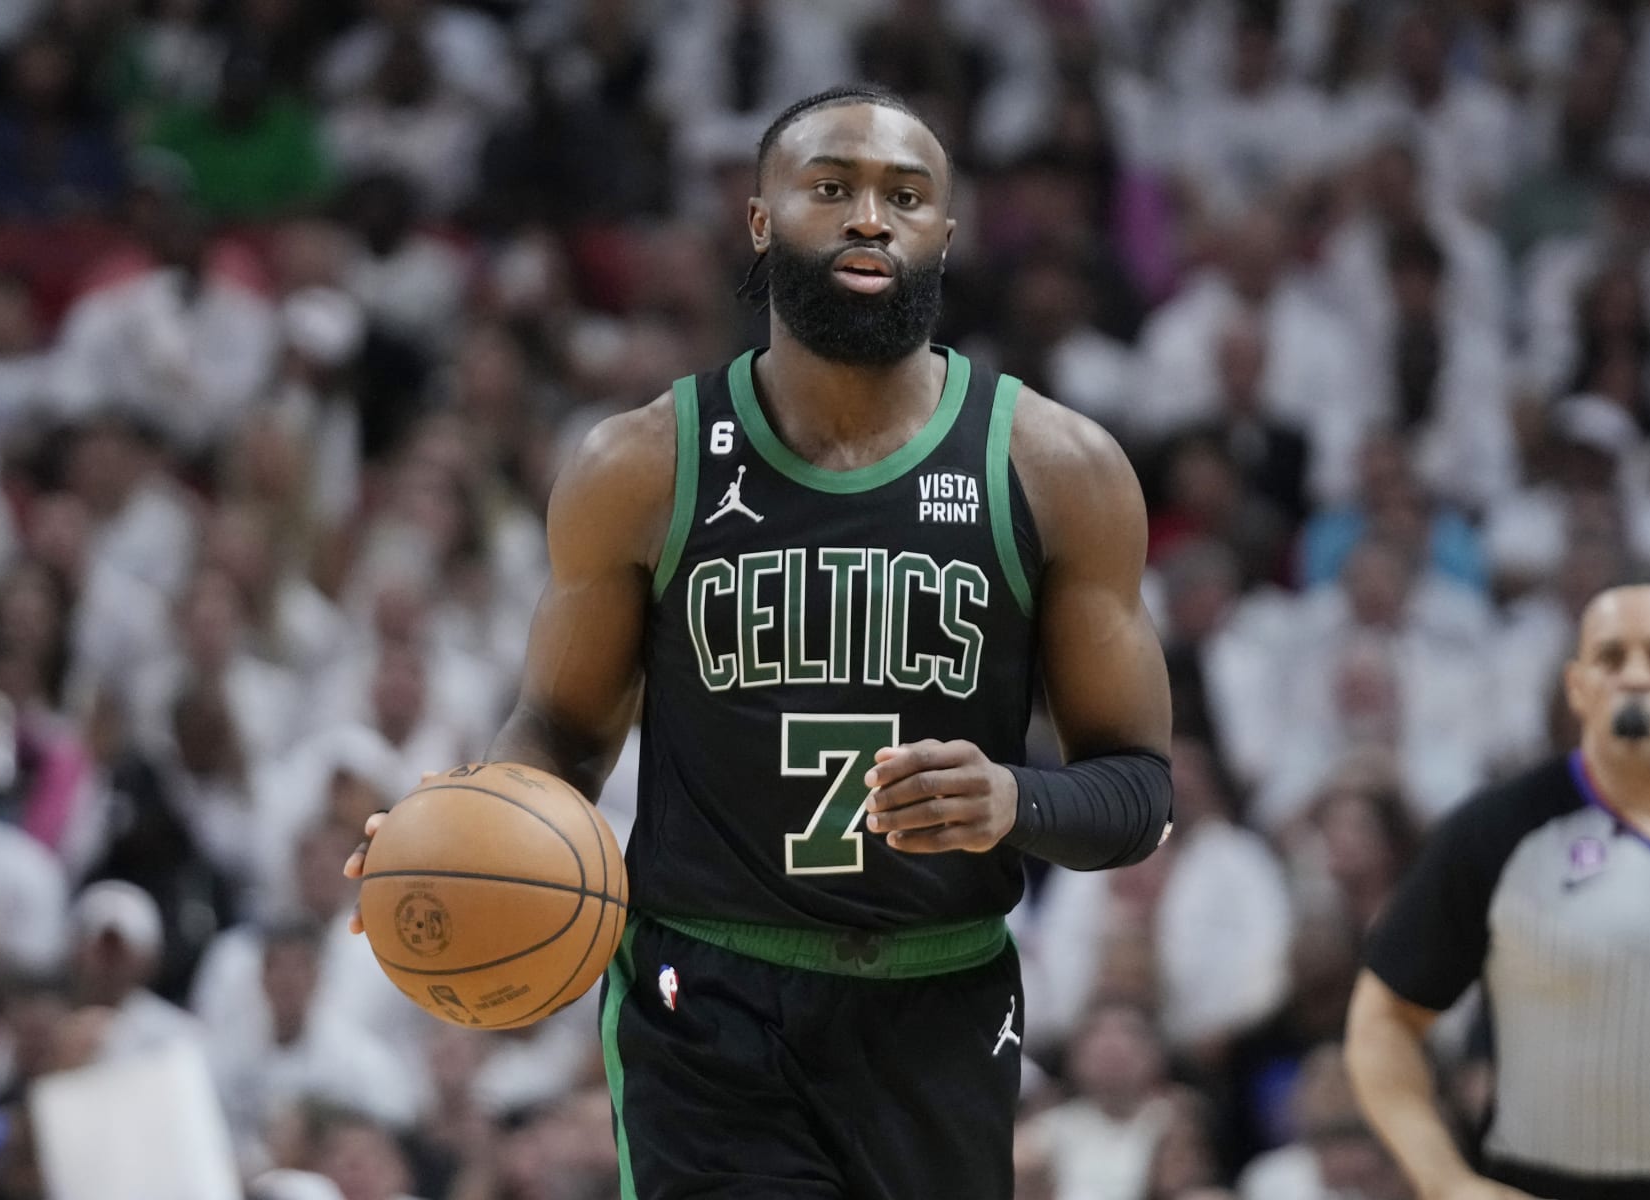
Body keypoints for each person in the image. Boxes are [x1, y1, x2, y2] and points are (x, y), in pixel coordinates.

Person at [346, 84, 1173, 1199]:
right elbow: (560, 728)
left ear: (945, 233)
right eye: (831, 187)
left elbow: (1140, 795)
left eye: (906, 196)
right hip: (707, 1007)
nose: (870, 217)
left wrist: (1012, 800)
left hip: (938, 1006)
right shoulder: (641, 465)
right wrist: (464, 832)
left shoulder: (1059, 468)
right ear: (760, 219)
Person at [1344, 583, 1650, 1200]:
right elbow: (1382, 1018)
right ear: (1577, 686)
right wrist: (1444, 1178)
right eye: (1610, 657)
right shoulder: (1497, 830)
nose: (1635, 677)